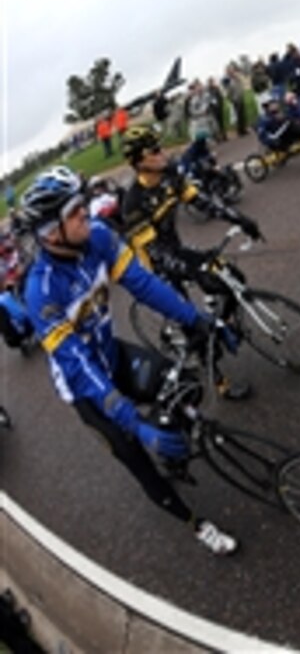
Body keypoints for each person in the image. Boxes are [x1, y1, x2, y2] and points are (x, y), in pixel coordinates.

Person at [20, 166, 240, 555]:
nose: (85, 212)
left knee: (185, 383)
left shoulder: (99, 238)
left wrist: (197, 321)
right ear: (50, 233)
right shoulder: (41, 291)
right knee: (136, 457)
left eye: (82, 203)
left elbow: (145, 285)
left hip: (111, 352)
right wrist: (134, 423)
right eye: (74, 211)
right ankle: (197, 525)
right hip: (86, 388)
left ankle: (173, 441)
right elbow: (78, 365)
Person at [118, 127, 261, 400]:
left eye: (161, 147)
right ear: (139, 161)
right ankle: (220, 383)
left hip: (177, 249)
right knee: (193, 327)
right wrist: (195, 268)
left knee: (233, 277)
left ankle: (225, 323)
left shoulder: (171, 174)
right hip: (157, 267)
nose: (163, 153)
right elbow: (157, 254)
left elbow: (202, 201)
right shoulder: (133, 203)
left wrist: (239, 218)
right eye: (154, 150)